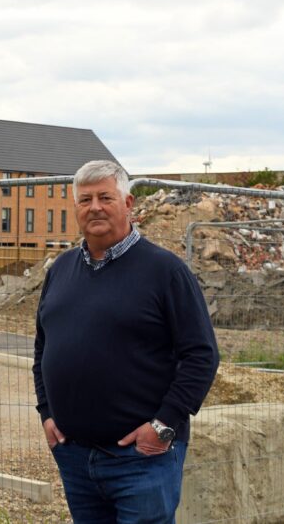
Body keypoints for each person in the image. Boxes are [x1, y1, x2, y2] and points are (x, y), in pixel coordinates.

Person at [33, 160, 219, 523]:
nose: (95, 207)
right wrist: (46, 412)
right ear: (76, 208)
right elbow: (43, 348)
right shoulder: (60, 270)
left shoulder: (166, 272)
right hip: (74, 457)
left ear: (129, 204)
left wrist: (164, 425)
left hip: (142, 460)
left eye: (106, 197)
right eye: (85, 200)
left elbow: (201, 355)